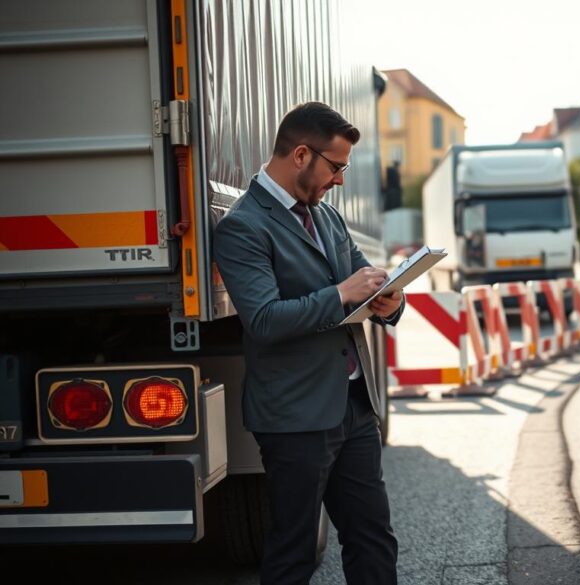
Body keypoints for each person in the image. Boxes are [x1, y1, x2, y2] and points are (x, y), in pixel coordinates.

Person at [214, 101, 402, 584]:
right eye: (336, 166)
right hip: (295, 417)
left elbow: (366, 279)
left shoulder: (328, 217)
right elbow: (264, 320)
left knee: (373, 537)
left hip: (353, 406)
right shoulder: (243, 226)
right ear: (301, 155)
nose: (340, 179)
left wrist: (390, 299)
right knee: (293, 553)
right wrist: (341, 294)